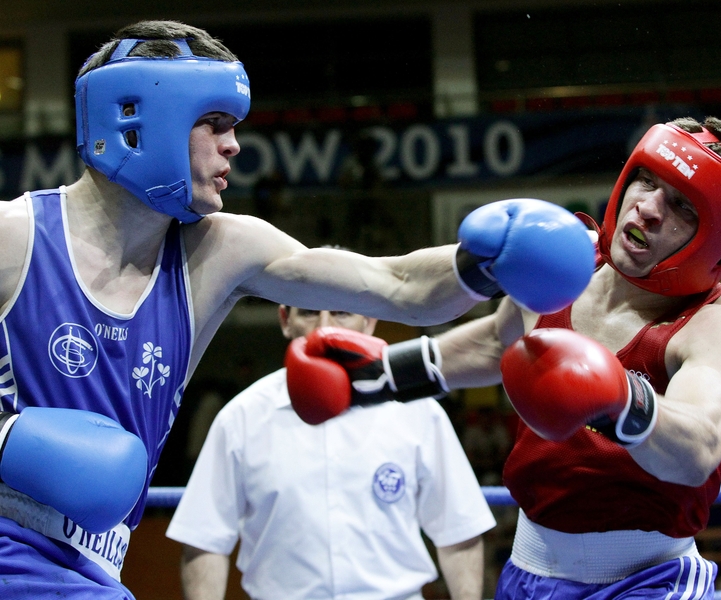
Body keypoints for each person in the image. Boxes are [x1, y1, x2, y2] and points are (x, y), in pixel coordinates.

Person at [0, 19, 594, 600]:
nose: (234, 144)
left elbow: (397, 285)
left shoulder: (221, 250)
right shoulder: (13, 237)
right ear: (137, 121)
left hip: (92, 573)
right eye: (214, 123)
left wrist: (486, 260)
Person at [285, 116, 721, 599]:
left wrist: (620, 397)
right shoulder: (560, 259)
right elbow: (498, 342)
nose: (647, 209)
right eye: (646, 181)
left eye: (682, 205)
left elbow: (698, 449)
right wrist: (380, 375)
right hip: (527, 570)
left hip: (647, 582)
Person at [166, 304, 496, 600]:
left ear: (369, 321)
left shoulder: (418, 411)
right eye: (309, 311)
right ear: (285, 320)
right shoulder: (242, 417)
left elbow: (459, 532)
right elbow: (204, 541)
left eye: (341, 312)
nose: (324, 327)